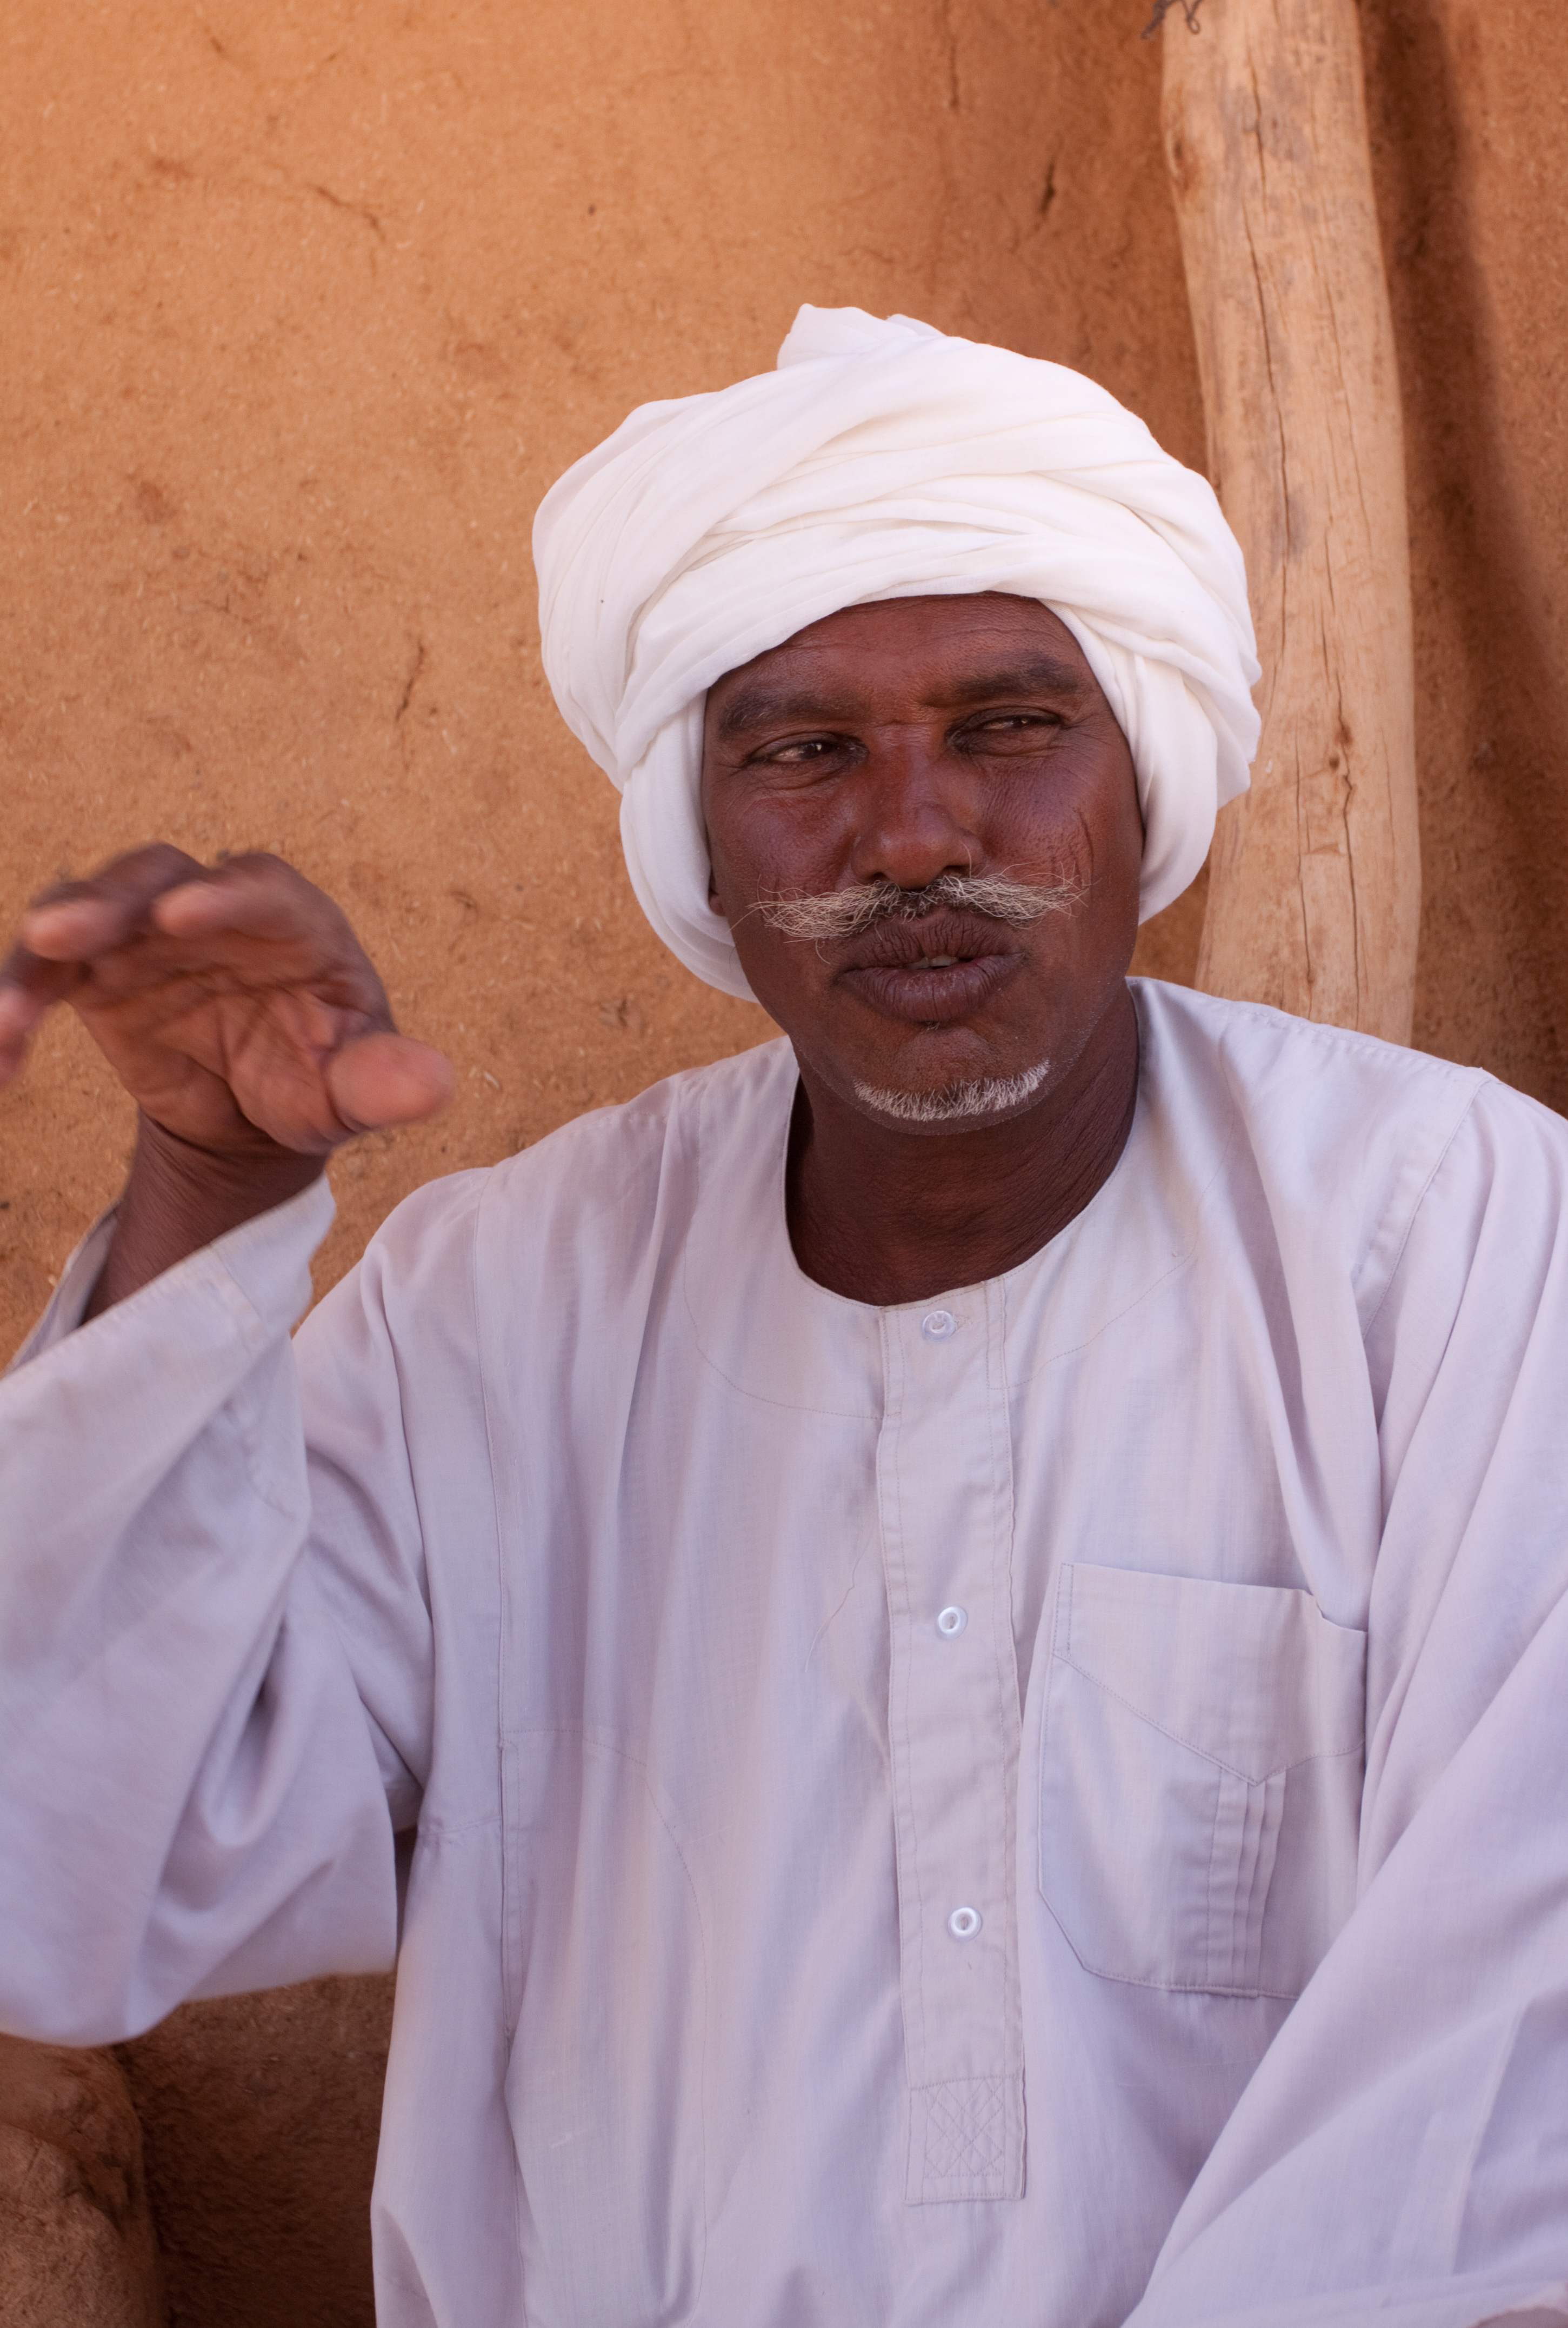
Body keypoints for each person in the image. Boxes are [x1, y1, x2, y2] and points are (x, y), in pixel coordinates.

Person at [3, 306, 1567, 2328]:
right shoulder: (497, 1317)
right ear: (704, 838)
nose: (913, 837)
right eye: (806, 750)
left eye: (1010, 728)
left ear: (1142, 777)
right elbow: (69, 1861)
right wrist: (214, 1188)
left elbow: (1508, 2053)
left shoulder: (1454, 1242)